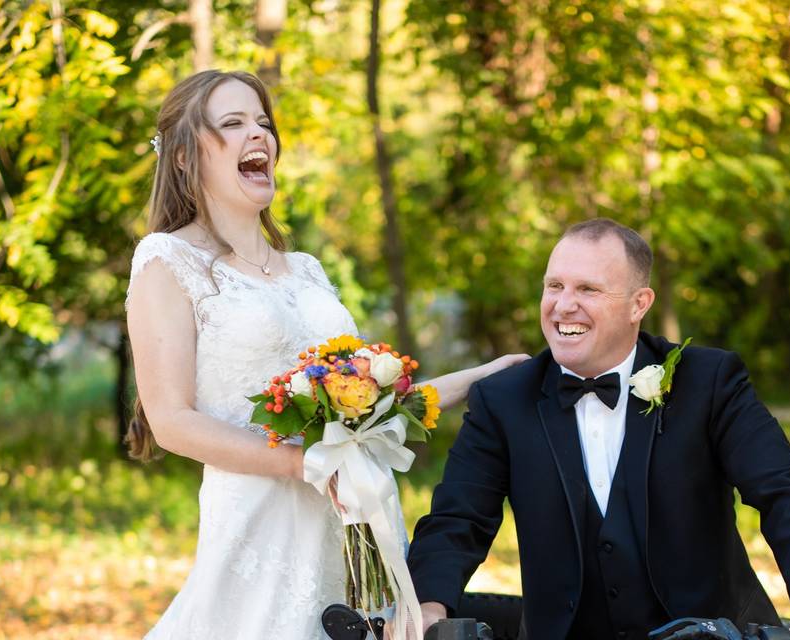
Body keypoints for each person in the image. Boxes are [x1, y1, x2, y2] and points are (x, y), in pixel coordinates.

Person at [124, 69, 526, 640]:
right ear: (186, 155)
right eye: (233, 124)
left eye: (263, 123)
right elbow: (171, 421)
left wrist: (483, 376)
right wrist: (305, 464)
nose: (258, 135)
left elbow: (372, 409)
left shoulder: (305, 271)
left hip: (359, 524)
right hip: (262, 525)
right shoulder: (168, 261)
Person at [407, 218, 790, 640]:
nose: (564, 305)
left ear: (639, 304)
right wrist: (428, 605)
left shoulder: (708, 380)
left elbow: (786, 491)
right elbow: (458, 518)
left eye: (588, 289)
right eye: (554, 285)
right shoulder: (504, 398)